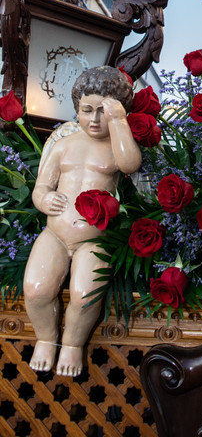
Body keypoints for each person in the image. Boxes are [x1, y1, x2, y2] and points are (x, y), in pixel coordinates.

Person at [23, 66, 142, 377]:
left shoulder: (117, 147)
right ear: (76, 108)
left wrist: (119, 122)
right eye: (87, 110)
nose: (95, 119)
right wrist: (44, 199)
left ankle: (73, 344)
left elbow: (130, 164)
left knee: (85, 294)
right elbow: (41, 186)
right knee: (35, 289)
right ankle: (46, 338)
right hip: (55, 234)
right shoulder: (63, 143)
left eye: (104, 111)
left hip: (94, 238)